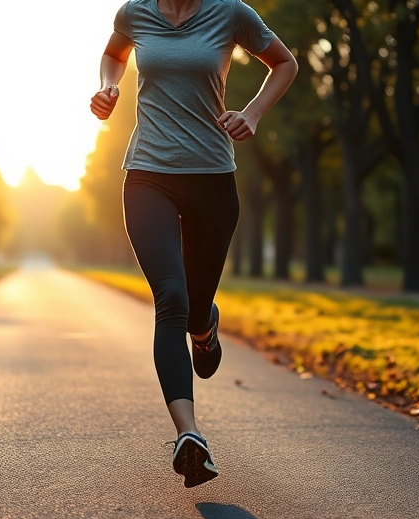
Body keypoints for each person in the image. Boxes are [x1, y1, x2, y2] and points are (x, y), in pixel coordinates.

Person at [90, 0, 297, 488]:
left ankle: (206, 327)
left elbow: (285, 63)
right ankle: (190, 436)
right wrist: (107, 86)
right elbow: (114, 53)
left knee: (197, 302)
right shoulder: (134, 12)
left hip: (211, 178)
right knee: (172, 298)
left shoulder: (231, 14)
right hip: (147, 176)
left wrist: (253, 113)